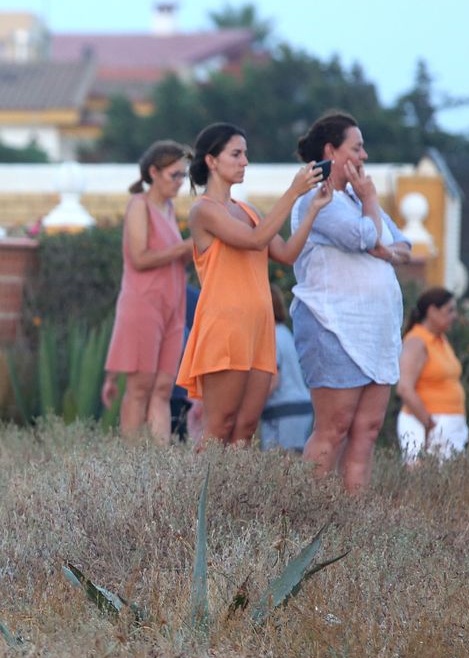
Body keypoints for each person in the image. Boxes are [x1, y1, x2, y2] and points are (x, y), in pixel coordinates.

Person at [175, 122, 329, 445]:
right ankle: (202, 496)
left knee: (246, 428)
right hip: (226, 326)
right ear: (212, 161)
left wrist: (312, 209)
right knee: (220, 426)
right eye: (236, 154)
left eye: (245, 154)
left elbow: (285, 254)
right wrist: (293, 192)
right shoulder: (204, 211)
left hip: (260, 328)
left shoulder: (249, 210)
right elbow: (256, 239)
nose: (245, 161)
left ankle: (233, 497)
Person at [288, 112, 411, 493]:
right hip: (332, 326)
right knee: (334, 428)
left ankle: (353, 526)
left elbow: (402, 245)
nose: (365, 156)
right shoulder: (317, 199)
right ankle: (308, 519)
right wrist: (372, 211)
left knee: (367, 430)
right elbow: (362, 235)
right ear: (331, 151)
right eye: (357, 148)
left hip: (376, 331)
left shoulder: (360, 198)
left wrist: (383, 248)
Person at [101, 140, 194, 440]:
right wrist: (186, 247)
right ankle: (131, 466)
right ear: (153, 172)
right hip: (144, 304)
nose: (180, 182)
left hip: (172, 305)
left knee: (164, 388)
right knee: (140, 386)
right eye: (174, 175)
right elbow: (139, 258)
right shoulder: (139, 205)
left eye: (183, 175)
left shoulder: (168, 209)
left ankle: (159, 468)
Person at [395, 288, 468, 462]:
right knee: (425, 481)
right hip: (425, 422)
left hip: (451, 422)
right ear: (432, 311)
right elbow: (405, 388)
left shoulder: (440, 339)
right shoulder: (416, 341)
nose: (454, 316)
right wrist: (429, 424)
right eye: (449, 310)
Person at [259, 288, 313, 452]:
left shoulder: (270, 336)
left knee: (278, 467)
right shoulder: (285, 332)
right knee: (293, 464)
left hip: (282, 412)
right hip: (301, 407)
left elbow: (274, 380)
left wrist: (250, 408)